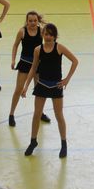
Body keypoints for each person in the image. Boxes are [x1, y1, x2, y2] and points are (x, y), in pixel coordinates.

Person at [21, 23, 79, 158]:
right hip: (41, 85)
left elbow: (75, 61)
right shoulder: (37, 50)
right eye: (46, 34)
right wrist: (26, 86)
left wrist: (67, 79)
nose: (48, 37)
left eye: (51, 35)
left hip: (56, 86)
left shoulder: (59, 48)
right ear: (42, 35)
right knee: (36, 114)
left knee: (59, 116)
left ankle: (64, 144)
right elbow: (33, 69)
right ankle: (33, 141)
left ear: (55, 36)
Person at [8, 11, 51, 126]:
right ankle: (11, 114)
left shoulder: (41, 31)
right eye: (30, 21)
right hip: (25, 63)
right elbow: (15, 45)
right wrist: (13, 60)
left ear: (38, 21)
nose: (32, 23)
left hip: (37, 65)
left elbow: (48, 45)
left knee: (39, 91)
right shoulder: (22, 31)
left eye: (35, 20)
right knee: (18, 89)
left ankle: (40, 113)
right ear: (27, 21)